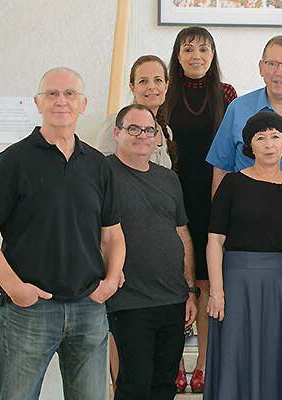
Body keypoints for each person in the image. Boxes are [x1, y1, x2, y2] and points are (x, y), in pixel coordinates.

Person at [0, 67, 125, 399]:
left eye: (70, 94)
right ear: (37, 102)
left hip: (89, 308)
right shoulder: (13, 161)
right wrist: (16, 289)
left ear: (83, 104)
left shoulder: (99, 165)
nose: (61, 101)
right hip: (29, 310)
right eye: (52, 93)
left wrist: (110, 282)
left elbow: (112, 235)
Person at [205, 34, 282, 397]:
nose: (279, 71)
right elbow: (221, 171)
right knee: (237, 354)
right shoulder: (238, 110)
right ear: (261, 68)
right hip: (242, 244)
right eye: (272, 63)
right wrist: (218, 282)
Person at [204, 111, 282, 400]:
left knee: (278, 357)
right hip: (236, 286)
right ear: (250, 145)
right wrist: (216, 290)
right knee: (235, 356)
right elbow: (215, 241)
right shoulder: (231, 184)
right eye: (260, 137)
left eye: (275, 136)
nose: (269, 143)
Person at [160, 26, 238, 392]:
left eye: (204, 49)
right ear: (177, 55)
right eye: (188, 49)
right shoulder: (165, 93)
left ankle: (203, 364)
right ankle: (175, 362)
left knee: (208, 280)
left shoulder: (226, 94)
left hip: (214, 197)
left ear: (213, 55)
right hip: (171, 196)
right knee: (175, 279)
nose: (196, 56)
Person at [105, 104, 199, 399]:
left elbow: (182, 235)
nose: (142, 135)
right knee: (135, 384)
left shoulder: (168, 179)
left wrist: (190, 291)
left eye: (149, 130)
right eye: (134, 128)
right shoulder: (102, 172)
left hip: (172, 299)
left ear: (157, 136)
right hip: (129, 300)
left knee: (163, 385)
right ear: (117, 133)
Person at [96, 55, 173, 168]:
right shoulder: (117, 122)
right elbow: (100, 168)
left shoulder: (167, 132)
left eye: (158, 80)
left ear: (166, 86)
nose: (151, 86)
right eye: (143, 81)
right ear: (132, 88)